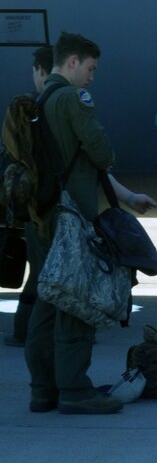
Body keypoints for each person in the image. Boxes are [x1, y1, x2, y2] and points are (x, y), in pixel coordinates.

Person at [25, 31, 156, 415]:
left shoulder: (39, 102)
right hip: (72, 218)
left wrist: (128, 195)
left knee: (46, 303)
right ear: (71, 63)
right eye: (90, 68)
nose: (92, 77)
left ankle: (42, 390)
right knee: (75, 302)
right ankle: (74, 391)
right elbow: (101, 152)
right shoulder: (72, 98)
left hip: (45, 217)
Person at [4, 45, 54, 348]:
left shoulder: (30, 109)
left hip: (34, 206)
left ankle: (24, 331)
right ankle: (28, 332)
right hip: (48, 205)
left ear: (40, 71)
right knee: (40, 273)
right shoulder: (52, 107)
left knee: (36, 273)